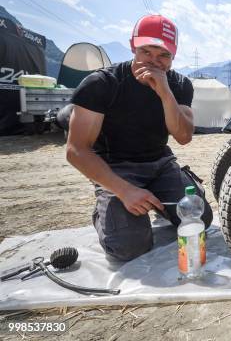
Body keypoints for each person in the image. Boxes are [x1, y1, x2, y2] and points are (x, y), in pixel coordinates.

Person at [65, 14, 212, 261]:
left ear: (173, 56)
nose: (154, 62)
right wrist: (124, 190)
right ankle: (106, 207)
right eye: (146, 52)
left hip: (160, 164)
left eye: (163, 55)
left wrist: (165, 93)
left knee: (201, 219)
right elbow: (76, 150)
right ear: (133, 47)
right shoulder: (103, 83)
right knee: (129, 247)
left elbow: (183, 137)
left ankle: (157, 202)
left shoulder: (179, 84)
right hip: (116, 168)